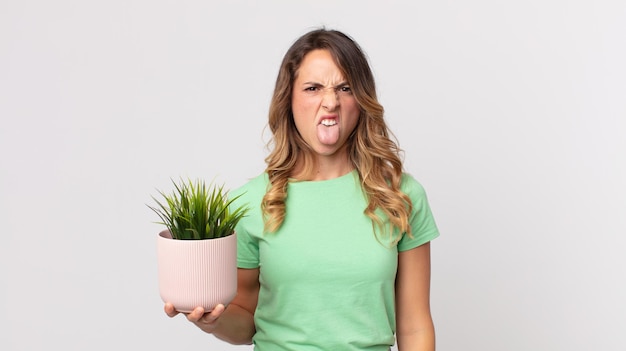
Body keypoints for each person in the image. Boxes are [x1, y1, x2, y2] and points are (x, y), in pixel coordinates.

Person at [164, 27, 440, 351]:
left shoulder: (401, 196)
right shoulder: (251, 202)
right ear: (289, 100)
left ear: (361, 100)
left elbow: (415, 326)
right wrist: (211, 320)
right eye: (313, 88)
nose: (330, 102)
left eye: (345, 87)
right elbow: (245, 322)